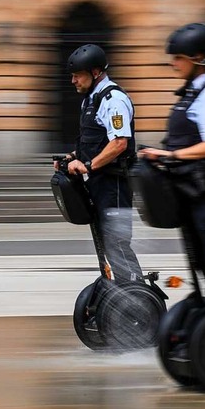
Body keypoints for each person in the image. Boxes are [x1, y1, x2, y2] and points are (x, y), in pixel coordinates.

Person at [139, 23, 205, 302]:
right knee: (199, 259)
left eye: (178, 58)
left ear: (197, 57)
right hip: (189, 190)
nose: (173, 64)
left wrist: (170, 156)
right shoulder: (190, 94)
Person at [56, 44, 142, 284]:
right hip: (98, 182)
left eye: (77, 75)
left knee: (116, 243)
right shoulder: (90, 101)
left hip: (114, 184)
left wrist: (89, 166)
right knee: (106, 242)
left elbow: (119, 144)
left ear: (95, 73)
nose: (73, 80)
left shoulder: (113, 99)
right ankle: (119, 292)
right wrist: (73, 157)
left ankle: (136, 293)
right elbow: (97, 141)